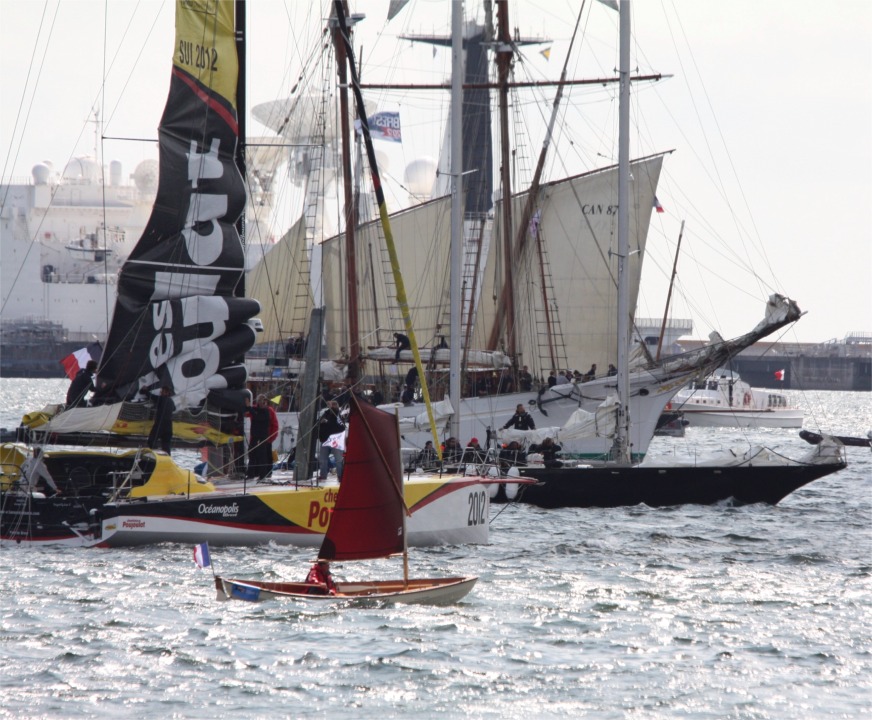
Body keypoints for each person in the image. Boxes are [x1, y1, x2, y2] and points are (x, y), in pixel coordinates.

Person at [246, 394, 278, 479]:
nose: (262, 403)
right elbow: (248, 412)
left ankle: (264, 474)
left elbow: (258, 416)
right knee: (252, 455)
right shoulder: (255, 409)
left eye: (263, 401)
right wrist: (247, 406)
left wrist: (271, 438)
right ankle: (251, 474)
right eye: (260, 401)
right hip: (255, 436)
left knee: (263, 456)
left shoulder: (267, 411)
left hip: (264, 437)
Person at [318, 400, 346, 481]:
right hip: (325, 439)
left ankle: (340, 476)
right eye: (332, 404)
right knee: (323, 459)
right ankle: (323, 475)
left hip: (336, 440)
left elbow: (341, 426)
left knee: (338, 460)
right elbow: (319, 424)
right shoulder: (325, 414)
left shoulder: (340, 415)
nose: (333, 406)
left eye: (335, 404)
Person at [147, 385, 175, 455]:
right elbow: (174, 408)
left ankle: (156, 455)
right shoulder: (171, 401)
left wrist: (145, 391)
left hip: (160, 424)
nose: (160, 393)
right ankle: (167, 459)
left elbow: (151, 396)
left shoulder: (162, 399)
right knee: (166, 445)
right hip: (169, 426)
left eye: (162, 392)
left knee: (151, 441)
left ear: (166, 393)